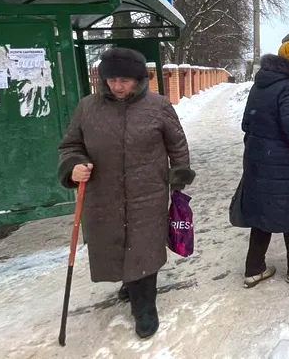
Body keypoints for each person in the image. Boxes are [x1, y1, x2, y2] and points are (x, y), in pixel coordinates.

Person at [57, 47, 195, 340]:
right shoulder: (87, 108)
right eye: (112, 79)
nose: (117, 86)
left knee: (144, 246)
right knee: (114, 243)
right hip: (103, 195)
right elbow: (70, 146)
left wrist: (179, 177)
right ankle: (130, 282)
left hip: (148, 192)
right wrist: (73, 166)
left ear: (139, 80)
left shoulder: (158, 106)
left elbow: (177, 144)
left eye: (125, 80)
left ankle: (145, 308)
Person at [232, 41, 289, 288]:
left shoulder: (261, 85)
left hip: (258, 159)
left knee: (263, 214)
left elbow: (247, 123)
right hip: (284, 162)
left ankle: (254, 269)